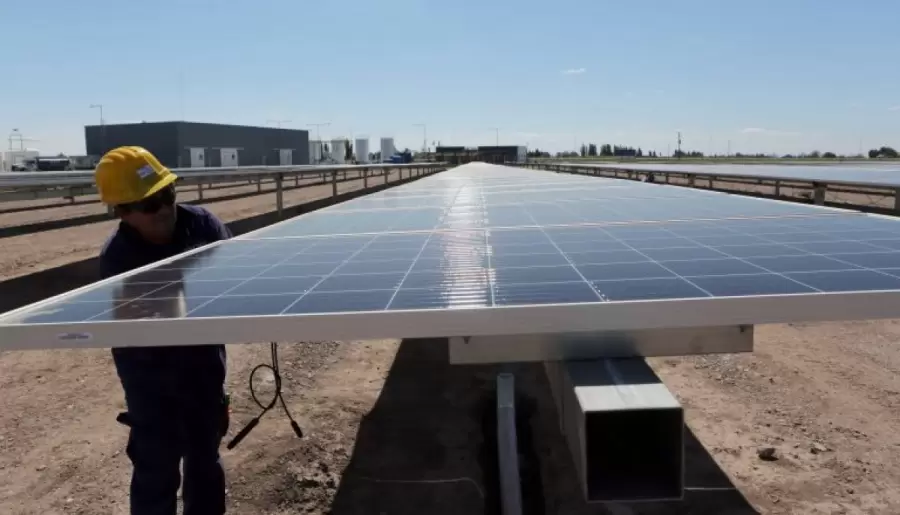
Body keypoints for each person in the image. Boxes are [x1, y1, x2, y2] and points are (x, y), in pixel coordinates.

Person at [95, 146, 232, 515]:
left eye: (168, 195)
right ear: (122, 212)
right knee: (156, 470)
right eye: (149, 204)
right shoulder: (119, 258)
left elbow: (234, 288)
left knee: (205, 462)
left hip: (203, 367)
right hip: (150, 376)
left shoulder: (204, 226)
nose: (164, 209)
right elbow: (139, 335)